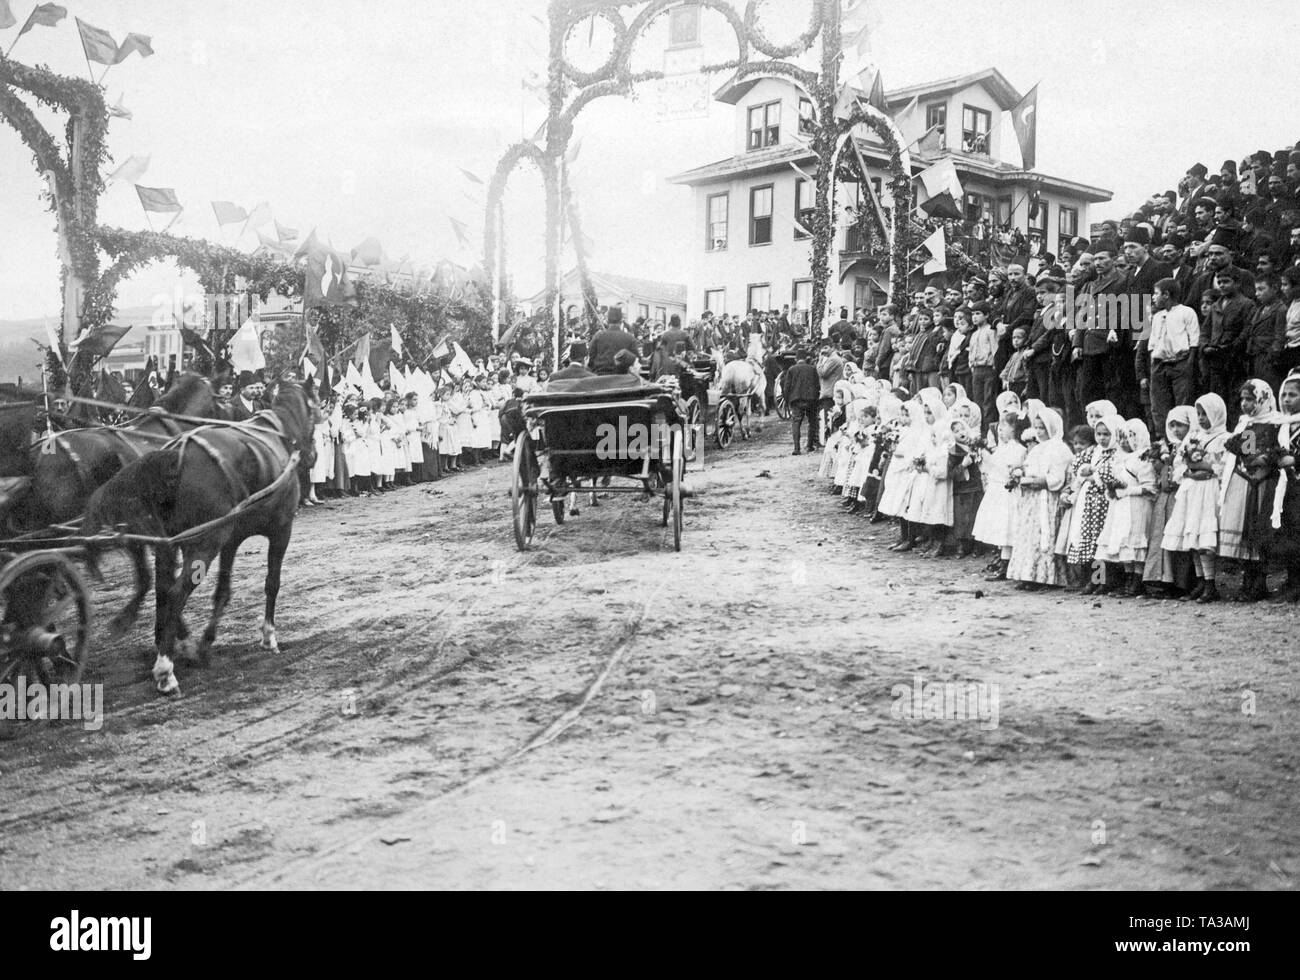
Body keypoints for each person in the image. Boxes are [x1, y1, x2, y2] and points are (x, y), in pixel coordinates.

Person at [1006, 407, 1074, 590]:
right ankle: (1028, 574)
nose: (1039, 432)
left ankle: (1046, 577)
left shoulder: (1059, 448)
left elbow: (1058, 478)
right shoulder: (1037, 448)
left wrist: (1038, 481)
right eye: (1036, 427)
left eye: (1042, 428)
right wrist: (1021, 475)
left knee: (1044, 537)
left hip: (1047, 498)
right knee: (1029, 536)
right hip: (1032, 499)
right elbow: (1028, 467)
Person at [784, 348, 820, 455]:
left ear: (796, 359)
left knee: (796, 423)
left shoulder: (791, 369)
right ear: (806, 358)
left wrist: (787, 401)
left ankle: (796, 448)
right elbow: (817, 385)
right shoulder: (812, 369)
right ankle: (809, 445)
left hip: (796, 400)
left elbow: (787, 387)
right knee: (812, 422)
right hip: (811, 399)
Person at [588, 308, 640, 375]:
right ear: (621, 321)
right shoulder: (629, 337)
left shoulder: (598, 336)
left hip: (600, 377)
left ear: (607, 320)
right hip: (622, 378)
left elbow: (591, 357)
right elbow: (636, 360)